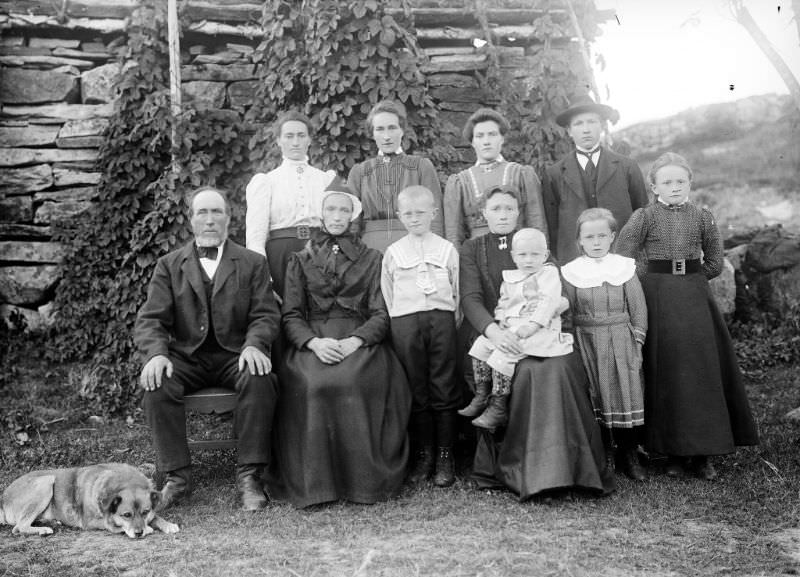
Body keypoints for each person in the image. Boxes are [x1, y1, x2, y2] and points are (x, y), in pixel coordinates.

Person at [460, 184, 614, 499]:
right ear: (484, 213)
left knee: (553, 372)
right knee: (522, 371)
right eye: (496, 209)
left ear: (518, 213)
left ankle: (570, 470)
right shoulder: (472, 249)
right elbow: (471, 298)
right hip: (497, 331)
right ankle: (517, 466)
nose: (502, 214)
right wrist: (494, 331)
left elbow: (560, 291)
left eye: (508, 209)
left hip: (540, 332)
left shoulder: (534, 242)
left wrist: (553, 309)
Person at [135, 186, 280, 511]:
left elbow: (266, 314)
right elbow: (151, 318)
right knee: (156, 386)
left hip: (235, 355)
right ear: (191, 220)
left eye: (217, 212)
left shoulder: (253, 263)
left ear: (229, 219)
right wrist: (157, 353)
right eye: (203, 212)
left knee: (261, 379)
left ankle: (250, 477)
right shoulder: (169, 265)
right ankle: (177, 477)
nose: (210, 219)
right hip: (187, 358)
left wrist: (255, 344)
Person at [615, 152, 759, 480]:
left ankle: (704, 453)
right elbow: (623, 254)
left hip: (695, 295)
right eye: (667, 182)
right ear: (654, 186)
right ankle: (672, 453)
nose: (675, 187)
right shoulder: (644, 216)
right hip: (658, 296)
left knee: (701, 367)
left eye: (681, 181)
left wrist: (691, 277)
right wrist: (650, 276)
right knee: (667, 368)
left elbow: (715, 262)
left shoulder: (702, 216)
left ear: (690, 183)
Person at [268, 186, 412, 508]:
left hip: (360, 340)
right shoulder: (300, 260)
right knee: (315, 384)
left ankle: (364, 482)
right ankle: (317, 485)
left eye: (343, 211)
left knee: (351, 381)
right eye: (331, 210)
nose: (337, 216)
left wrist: (355, 341)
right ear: (321, 214)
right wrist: (314, 343)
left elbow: (380, 313)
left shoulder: (373, 259)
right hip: (313, 341)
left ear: (353, 216)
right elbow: (290, 314)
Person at [381, 185, 460, 488]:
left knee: (443, 384)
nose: (415, 218)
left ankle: (445, 454)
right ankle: (423, 453)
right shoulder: (394, 252)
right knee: (416, 386)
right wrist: (401, 320)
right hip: (405, 322)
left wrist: (446, 319)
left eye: (421, 212)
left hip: (440, 320)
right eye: (408, 213)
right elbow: (388, 292)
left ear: (433, 213)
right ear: (399, 215)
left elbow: (456, 289)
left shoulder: (446, 249)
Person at [561, 208, 648, 481]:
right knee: (596, 393)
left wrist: (638, 337)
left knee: (624, 391)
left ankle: (629, 453)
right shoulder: (572, 272)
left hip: (621, 339)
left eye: (602, 235)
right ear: (580, 241)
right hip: (588, 340)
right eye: (589, 237)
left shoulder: (623, 267)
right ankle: (605, 453)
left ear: (612, 237)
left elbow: (638, 305)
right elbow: (570, 310)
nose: (596, 242)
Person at [462, 228, 573, 429]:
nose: (528, 260)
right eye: (522, 255)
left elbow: (548, 302)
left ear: (545, 255)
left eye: (535, 254)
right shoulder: (511, 277)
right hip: (513, 327)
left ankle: (498, 406)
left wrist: (532, 325)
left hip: (541, 329)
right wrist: (501, 319)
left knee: (502, 354)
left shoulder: (547, 273)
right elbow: (504, 301)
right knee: (480, 346)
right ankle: (482, 394)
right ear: (513, 256)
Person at [542, 95, 649, 264]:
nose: (586, 129)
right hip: (577, 262)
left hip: (623, 258)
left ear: (602, 125)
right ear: (569, 131)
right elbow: (552, 225)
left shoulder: (626, 167)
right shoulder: (554, 175)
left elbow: (642, 215)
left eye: (591, 122)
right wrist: (565, 258)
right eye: (578, 124)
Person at [245, 110, 336, 297]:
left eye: (301, 135)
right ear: (278, 140)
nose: (295, 142)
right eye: (289, 136)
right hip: (280, 255)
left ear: (309, 139)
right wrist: (263, 277)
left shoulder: (326, 179)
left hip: (319, 251)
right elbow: (255, 236)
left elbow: (338, 225)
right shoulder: (266, 181)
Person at [347, 99, 443, 252]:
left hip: (414, 244)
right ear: (372, 133)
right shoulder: (360, 171)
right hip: (370, 248)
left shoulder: (421, 166)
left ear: (402, 130)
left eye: (392, 128)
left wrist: (435, 251)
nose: (386, 136)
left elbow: (435, 216)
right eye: (380, 129)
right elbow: (352, 221)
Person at [444, 108, 547, 248]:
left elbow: (536, 222)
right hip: (477, 257)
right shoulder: (460, 182)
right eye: (480, 136)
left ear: (502, 139)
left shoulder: (521, 174)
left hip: (518, 253)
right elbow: (453, 233)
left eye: (492, 134)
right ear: (473, 142)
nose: (486, 141)